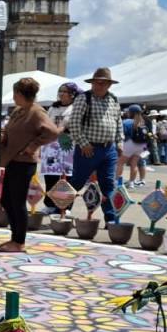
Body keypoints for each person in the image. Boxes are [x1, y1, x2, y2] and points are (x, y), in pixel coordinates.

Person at [0, 78, 60, 253]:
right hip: (11, 160)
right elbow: (9, 129)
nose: (13, 96)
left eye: (15, 93)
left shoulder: (36, 112)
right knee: (6, 199)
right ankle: (14, 237)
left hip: (24, 162)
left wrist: (33, 145)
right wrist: (2, 135)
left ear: (19, 93)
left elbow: (53, 132)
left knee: (17, 202)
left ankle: (19, 241)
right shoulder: (18, 110)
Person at [69, 68, 123, 224]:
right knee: (77, 182)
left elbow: (118, 122)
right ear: (92, 83)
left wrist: (119, 142)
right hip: (88, 149)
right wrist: (83, 143)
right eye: (97, 82)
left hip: (109, 149)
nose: (99, 85)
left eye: (103, 83)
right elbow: (74, 123)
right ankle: (62, 211)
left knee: (108, 185)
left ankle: (111, 219)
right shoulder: (84, 98)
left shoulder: (113, 99)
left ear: (109, 85)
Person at [40, 82, 78, 214]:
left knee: (66, 177)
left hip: (67, 144)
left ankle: (65, 206)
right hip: (50, 145)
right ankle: (50, 204)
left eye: (64, 91)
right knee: (50, 176)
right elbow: (46, 122)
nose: (61, 94)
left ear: (72, 94)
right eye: (60, 91)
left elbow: (71, 124)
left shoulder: (76, 107)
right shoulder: (53, 107)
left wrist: (61, 129)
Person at [118, 104, 148, 187]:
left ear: (131, 112)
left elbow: (121, 134)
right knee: (134, 164)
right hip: (141, 145)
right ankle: (132, 182)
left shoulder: (126, 122)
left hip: (129, 144)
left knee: (120, 163)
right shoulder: (142, 122)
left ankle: (116, 182)